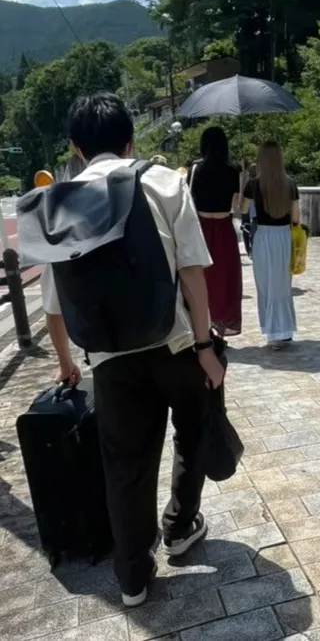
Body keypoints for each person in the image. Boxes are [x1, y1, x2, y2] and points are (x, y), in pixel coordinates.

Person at [42, 93, 225, 608]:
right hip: (177, 343)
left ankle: (133, 578)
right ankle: (180, 527)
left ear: (76, 147)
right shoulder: (163, 181)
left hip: (109, 360)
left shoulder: (61, 202)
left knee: (126, 465)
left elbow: (54, 305)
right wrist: (206, 347)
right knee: (193, 432)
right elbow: (193, 272)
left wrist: (66, 363)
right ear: (129, 141)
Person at [240, 141, 300, 349]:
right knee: (282, 285)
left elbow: (242, 209)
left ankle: (272, 332)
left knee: (265, 285)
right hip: (283, 236)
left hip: (262, 236)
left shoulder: (253, 184)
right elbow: (296, 218)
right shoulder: (290, 184)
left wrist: (243, 185)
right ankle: (284, 330)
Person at [188, 127, 243, 336]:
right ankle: (222, 325)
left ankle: (203, 327)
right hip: (224, 227)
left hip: (201, 228)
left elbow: (189, 200)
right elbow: (236, 206)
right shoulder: (233, 170)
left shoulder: (196, 169)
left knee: (202, 278)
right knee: (226, 279)